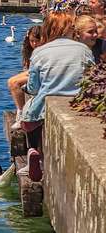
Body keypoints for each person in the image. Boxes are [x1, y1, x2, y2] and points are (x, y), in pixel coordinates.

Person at [19, 11, 95, 179]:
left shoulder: (39, 52)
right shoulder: (84, 50)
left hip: (46, 104)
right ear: (68, 29)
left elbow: (33, 87)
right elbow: (91, 78)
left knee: (30, 113)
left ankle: (33, 151)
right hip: (77, 101)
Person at [8, 25, 44, 124]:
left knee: (14, 83)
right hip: (33, 72)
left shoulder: (44, 50)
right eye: (32, 41)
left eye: (37, 40)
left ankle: (22, 115)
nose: (35, 43)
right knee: (11, 81)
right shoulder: (30, 50)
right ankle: (21, 111)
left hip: (40, 73)